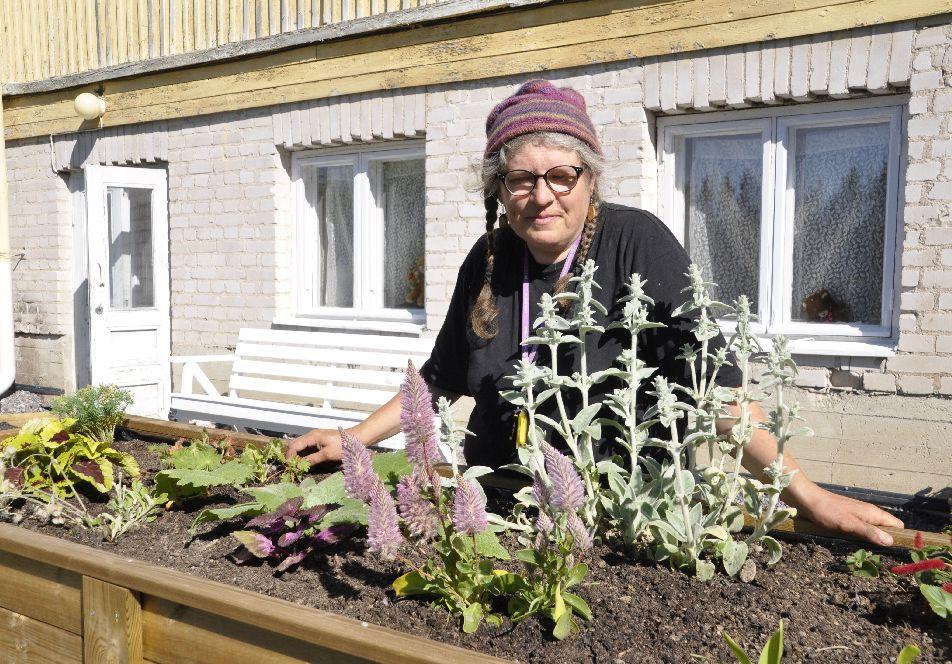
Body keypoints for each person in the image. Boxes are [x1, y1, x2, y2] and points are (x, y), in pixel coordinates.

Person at [287, 79, 903, 546]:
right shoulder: (490, 256)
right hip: (501, 507)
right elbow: (441, 378)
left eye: (561, 174)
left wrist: (808, 495)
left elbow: (718, 394)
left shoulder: (636, 245)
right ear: (499, 191)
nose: (542, 195)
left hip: (618, 517)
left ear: (589, 180)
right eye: (521, 180)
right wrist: (353, 441)